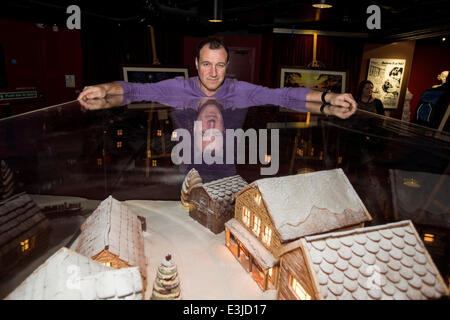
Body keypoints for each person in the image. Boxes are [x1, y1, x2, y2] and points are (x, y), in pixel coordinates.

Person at [78, 37, 357, 119]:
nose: (213, 73)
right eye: (207, 64)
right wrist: (104, 89)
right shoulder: (177, 88)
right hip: (185, 165)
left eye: (220, 65)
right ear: (196, 64)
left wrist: (328, 97)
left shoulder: (240, 90)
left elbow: (283, 95)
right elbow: (133, 90)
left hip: (228, 165)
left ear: (227, 66)